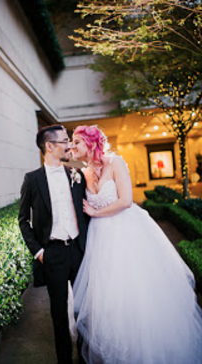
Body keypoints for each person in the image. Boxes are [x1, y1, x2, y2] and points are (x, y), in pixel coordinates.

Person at [70, 125, 202, 363]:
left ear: (90, 143)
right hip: (100, 240)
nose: (72, 146)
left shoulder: (116, 162)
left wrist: (96, 213)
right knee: (108, 293)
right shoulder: (84, 173)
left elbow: (126, 201)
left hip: (126, 231)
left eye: (76, 142)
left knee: (135, 287)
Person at [19, 124, 90, 364]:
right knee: (59, 314)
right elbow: (23, 220)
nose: (69, 145)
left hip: (79, 251)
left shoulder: (77, 172)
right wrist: (39, 252)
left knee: (84, 310)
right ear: (49, 147)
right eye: (64, 141)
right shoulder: (32, 180)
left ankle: (84, 357)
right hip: (53, 255)